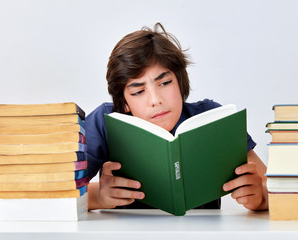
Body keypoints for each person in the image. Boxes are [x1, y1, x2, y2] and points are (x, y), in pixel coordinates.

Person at [86, 23, 268, 211]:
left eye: (164, 83)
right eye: (139, 91)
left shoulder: (210, 118)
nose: (155, 100)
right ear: (124, 102)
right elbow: (58, 195)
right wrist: (98, 197)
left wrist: (261, 198)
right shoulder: (105, 122)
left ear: (180, 82)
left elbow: (277, 192)